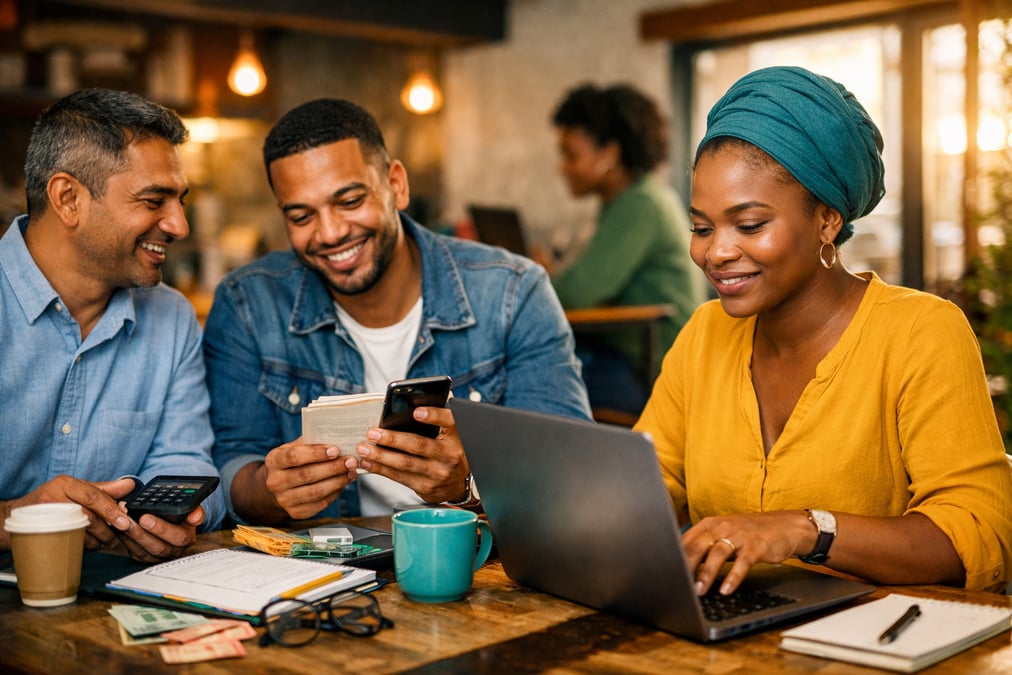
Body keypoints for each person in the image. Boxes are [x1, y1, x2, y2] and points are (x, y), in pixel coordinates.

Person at [635, 66, 1012, 595]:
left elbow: (980, 535)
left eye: (749, 225)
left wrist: (803, 529)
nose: (715, 252)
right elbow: (647, 481)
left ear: (827, 220)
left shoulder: (921, 333)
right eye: (701, 228)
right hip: (733, 635)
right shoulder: (704, 333)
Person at [203, 98, 591, 525]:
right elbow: (232, 466)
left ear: (396, 185)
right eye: (301, 216)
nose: (330, 233)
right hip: (321, 571)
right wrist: (269, 489)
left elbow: (568, 477)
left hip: (478, 569)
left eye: (349, 201)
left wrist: (467, 487)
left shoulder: (514, 293)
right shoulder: (246, 304)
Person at [0, 88, 226, 561]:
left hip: (116, 596)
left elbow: (191, 469)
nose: (179, 225)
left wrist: (174, 518)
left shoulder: (173, 318)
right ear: (68, 198)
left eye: (180, 200)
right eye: (153, 200)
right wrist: (17, 519)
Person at [545, 83, 703, 416]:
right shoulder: (629, 201)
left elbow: (578, 293)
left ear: (610, 155)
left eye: (571, 155)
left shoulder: (639, 206)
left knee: (532, 374)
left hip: (653, 369)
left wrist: (530, 277)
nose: (562, 167)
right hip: (629, 356)